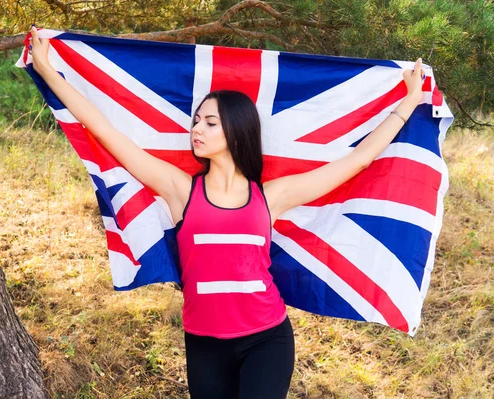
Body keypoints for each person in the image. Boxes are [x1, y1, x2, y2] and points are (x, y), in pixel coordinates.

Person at [28, 26, 425, 399]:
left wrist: (408, 103)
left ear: (235, 131)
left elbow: (357, 162)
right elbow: (105, 130)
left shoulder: (271, 196)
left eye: (210, 122)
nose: (196, 129)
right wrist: (48, 70)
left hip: (266, 337)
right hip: (203, 342)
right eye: (196, 120)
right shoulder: (180, 190)